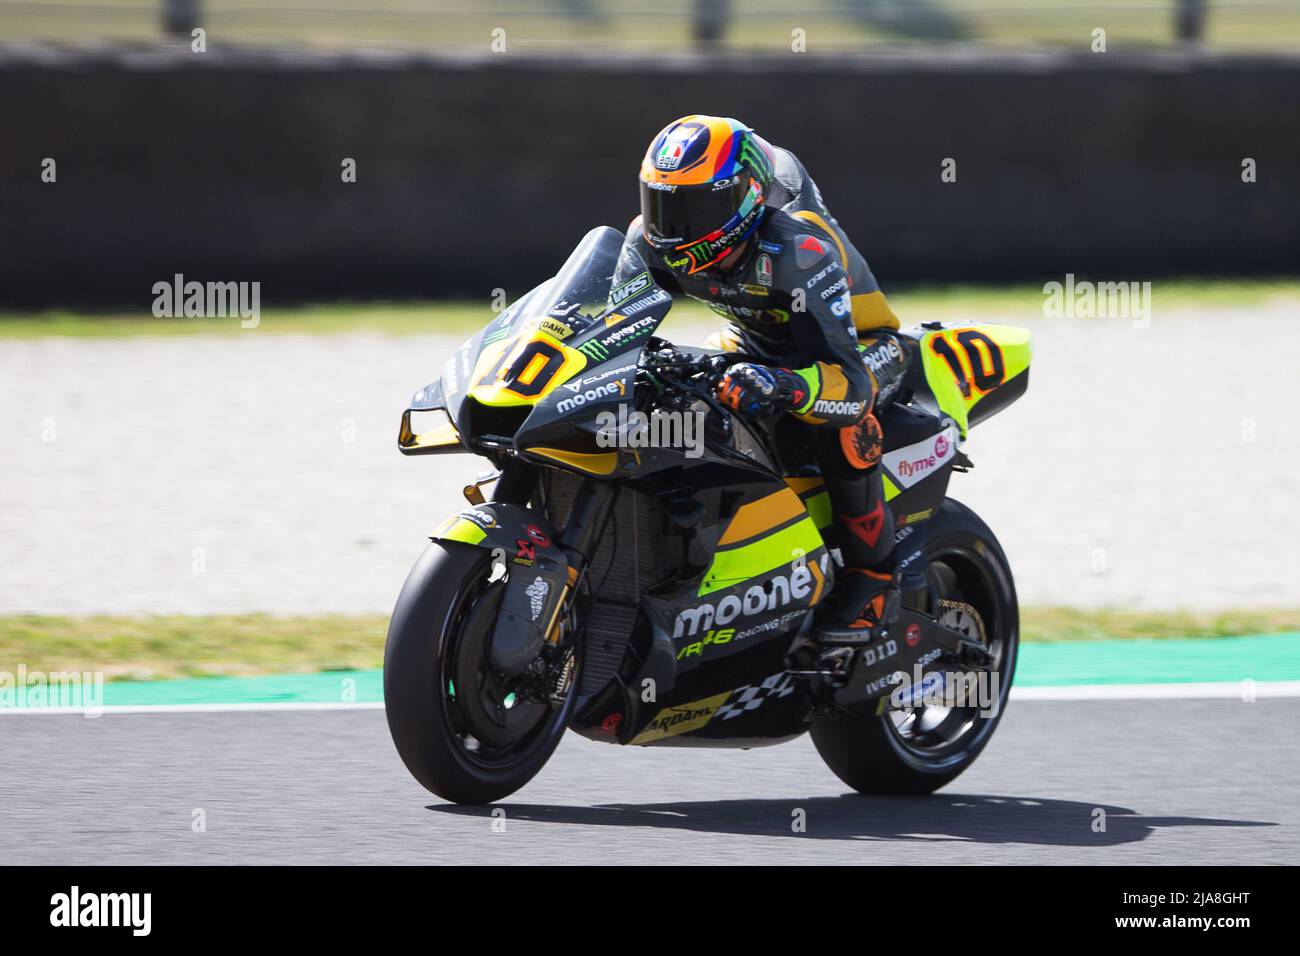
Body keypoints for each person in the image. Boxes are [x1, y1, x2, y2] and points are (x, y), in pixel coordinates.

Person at [616, 114, 910, 655]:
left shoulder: (797, 250)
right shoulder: (648, 241)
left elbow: (849, 381)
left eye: (695, 207)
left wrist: (786, 385)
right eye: (663, 204)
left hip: (862, 352)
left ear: (746, 197)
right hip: (751, 343)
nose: (674, 226)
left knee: (845, 428)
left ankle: (874, 581)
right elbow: (614, 326)